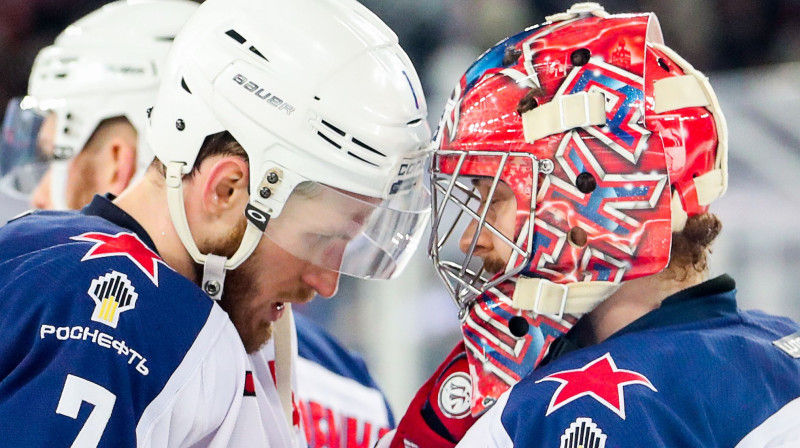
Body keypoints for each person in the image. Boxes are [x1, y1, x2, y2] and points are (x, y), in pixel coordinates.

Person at [0, 0, 431, 446]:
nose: (327, 283)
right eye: (320, 238)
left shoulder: (33, 253)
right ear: (226, 190)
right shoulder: (142, 318)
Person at [386, 2, 800, 447]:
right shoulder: (782, 350)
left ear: (587, 194)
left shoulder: (560, 413)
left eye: (497, 199)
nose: (472, 238)